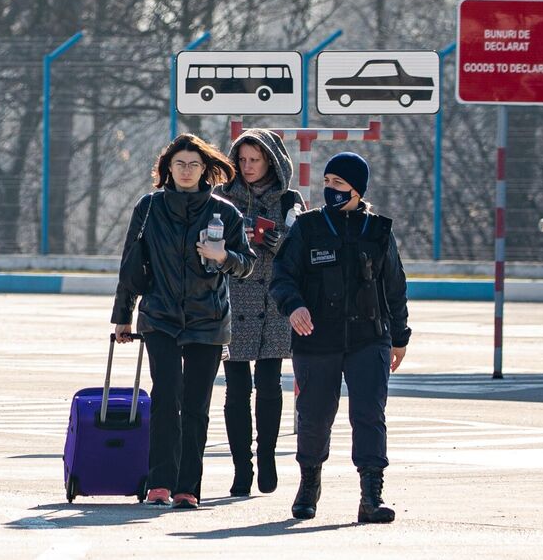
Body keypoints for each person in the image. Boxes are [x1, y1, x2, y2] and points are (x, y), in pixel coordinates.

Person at [112, 134, 254, 510]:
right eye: (180, 164)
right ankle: (159, 482)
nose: (187, 171)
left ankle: (187, 487)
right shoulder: (148, 208)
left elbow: (247, 265)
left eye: (194, 164)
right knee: (165, 398)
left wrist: (223, 256)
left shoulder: (225, 212)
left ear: (205, 169)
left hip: (208, 320)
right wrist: (123, 317)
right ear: (167, 169)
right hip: (160, 315)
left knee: (195, 405)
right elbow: (130, 263)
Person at [270, 152, 410, 524]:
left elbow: (395, 286)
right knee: (314, 417)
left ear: (357, 189)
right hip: (316, 339)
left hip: (369, 337)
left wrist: (400, 337)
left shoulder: (378, 231)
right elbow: (282, 275)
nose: (329, 188)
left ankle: (371, 496)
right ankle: (309, 484)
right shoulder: (308, 227)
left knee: (369, 415)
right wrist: (294, 306)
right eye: (327, 181)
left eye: (338, 183)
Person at [216, 129, 305, 496]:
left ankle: (266, 456)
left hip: (274, 303)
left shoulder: (289, 199)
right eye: (243, 159)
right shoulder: (221, 197)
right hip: (232, 301)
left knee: (269, 385)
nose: (248, 167)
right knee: (235, 391)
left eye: (256, 159)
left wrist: (276, 240)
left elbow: (303, 248)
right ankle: (242, 467)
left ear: (271, 161)